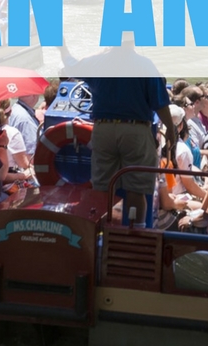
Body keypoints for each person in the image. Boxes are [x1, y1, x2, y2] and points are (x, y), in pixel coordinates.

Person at [69, 42, 175, 226]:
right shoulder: (144, 65)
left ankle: (100, 232)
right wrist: (172, 130)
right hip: (135, 130)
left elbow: (70, 66)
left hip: (103, 129)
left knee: (102, 187)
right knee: (136, 188)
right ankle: (136, 233)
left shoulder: (96, 62)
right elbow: (160, 103)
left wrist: (62, 48)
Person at [7, 92, 42, 158]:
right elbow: (31, 154)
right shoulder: (26, 120)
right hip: (25, 165)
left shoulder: (15, 108)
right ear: (34, 95)